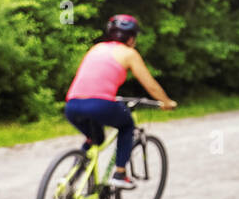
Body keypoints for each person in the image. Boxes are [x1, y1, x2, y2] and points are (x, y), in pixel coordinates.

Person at [64, 14, 176, 189]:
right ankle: (120, 174)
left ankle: (70, 180)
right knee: (126, 126)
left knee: (95, 139)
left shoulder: (96, 48)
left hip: (72, 105)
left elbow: (92, 79)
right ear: (131, 38)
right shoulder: (129, 53)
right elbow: (151, 86)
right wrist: (166, 102)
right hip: (101, 104)